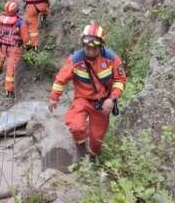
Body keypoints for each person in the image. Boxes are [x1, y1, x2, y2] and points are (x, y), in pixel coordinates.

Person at [47, 22, 126, 159]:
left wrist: (112, 99)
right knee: (76, 126)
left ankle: (93, 157)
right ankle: (81, 147)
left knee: (97, 139)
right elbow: (61, 79)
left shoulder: (111, 59)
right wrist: (54, 97)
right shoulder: (75, 60)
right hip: (82, 99)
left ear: (101, 45)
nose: (90, 50)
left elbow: (120, 80)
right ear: (82, 44)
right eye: (87, 47)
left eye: (94, 47)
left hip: (102, 102)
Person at [0, 0, 29, 99]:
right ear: (16, 10)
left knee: (0, 58)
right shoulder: (20, 22)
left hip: (3, 45)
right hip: (14, 47)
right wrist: (28, 46)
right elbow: (25, 38)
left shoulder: (1, 20)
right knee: (11, 68)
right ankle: (9, 91)